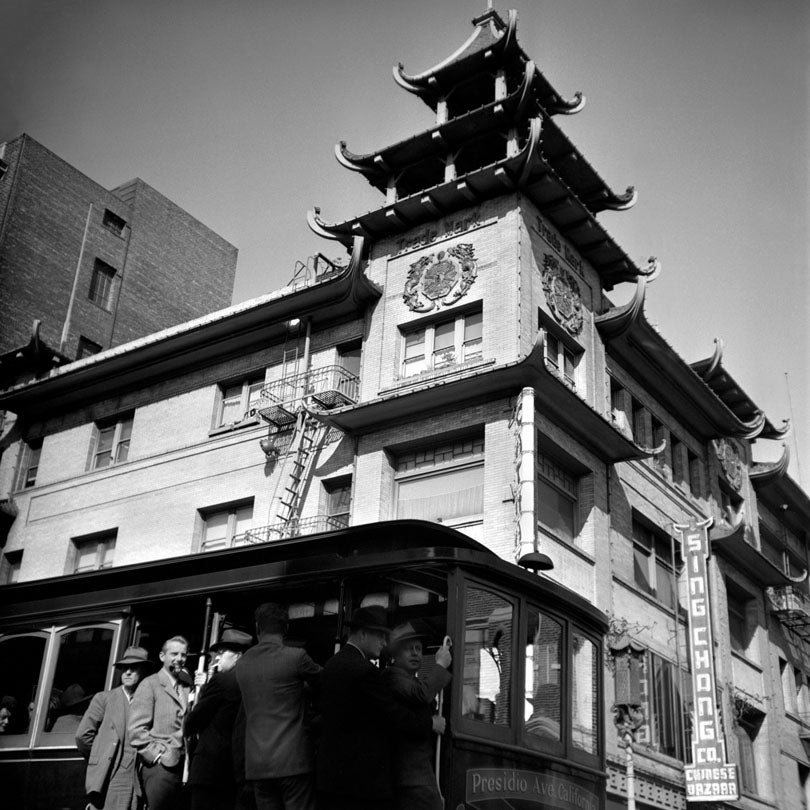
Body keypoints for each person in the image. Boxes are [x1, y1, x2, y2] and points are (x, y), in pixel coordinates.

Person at [316, 606, 437, 810]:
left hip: (330, 778)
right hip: (362, 781)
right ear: (363, 634)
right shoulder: (365, 671)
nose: (384, 642)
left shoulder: (331, 665)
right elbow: (392, 714)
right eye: (380, 636)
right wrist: (429, 723)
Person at [236, 603, 322, 810]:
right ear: (286, 628)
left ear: (258, 627)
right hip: (293, 761)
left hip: (258, 764)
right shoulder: (296, 657)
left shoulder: (243, 663)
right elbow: (328, 681)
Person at [382, 623, 451, 810]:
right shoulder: (393, 677)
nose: (415, 653)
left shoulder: (410, 679)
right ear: (395, 655)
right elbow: (420, 694)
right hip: (411, 774)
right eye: (408, 649)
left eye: (418, 649)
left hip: (417, 772)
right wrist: (441, 665)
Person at [75, 646, 154, 810]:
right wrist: (102, 755)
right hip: (110, 776)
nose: (128, 672)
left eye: (134, 667)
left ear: (144, 670)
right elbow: (83, 736)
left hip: (138, 779)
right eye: (125, 668)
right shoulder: (104, 699)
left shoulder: (149, 701)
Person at [185, 628, 253, 810]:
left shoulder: (221, 681)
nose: (217, 658)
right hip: (234, 770)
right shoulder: (251, 682)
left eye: (222, 653)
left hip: (210, 768)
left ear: (238, 655)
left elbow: (195, 719)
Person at [129, 635, 190, 810]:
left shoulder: (187, 687)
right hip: (160, 769)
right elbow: (136, 730)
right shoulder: (150, 684)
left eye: (183, 655)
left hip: (183, 768)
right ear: (162, 657)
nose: (179, 659)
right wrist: (157, 756)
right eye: (174, 654)